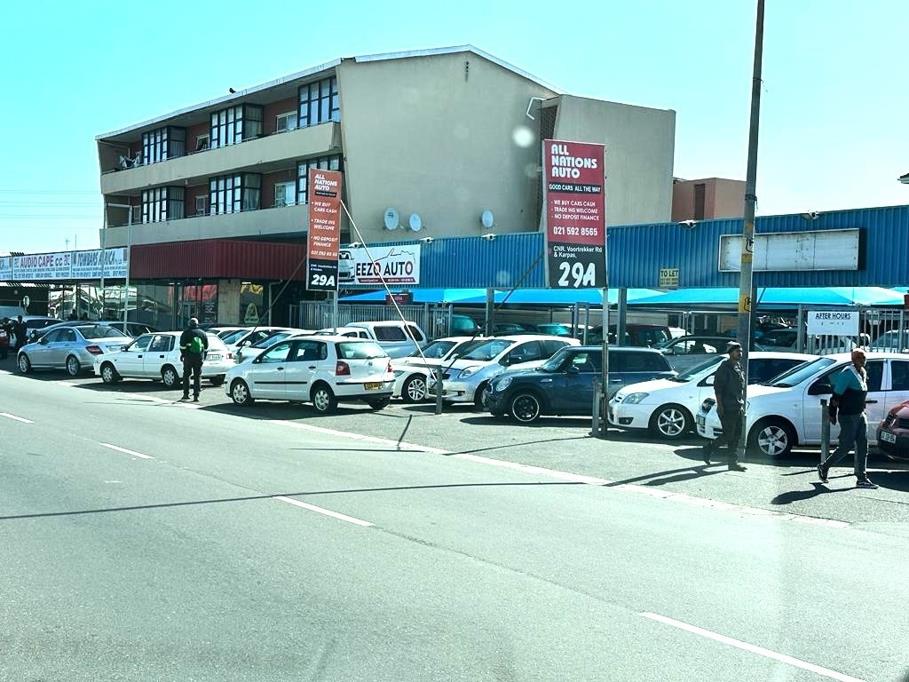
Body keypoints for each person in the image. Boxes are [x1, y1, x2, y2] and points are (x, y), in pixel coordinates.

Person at [818, 348, 877, 489]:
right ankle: (824, 467)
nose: (862, 361)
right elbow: (836, 396)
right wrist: (832, 414)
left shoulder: (862, 372)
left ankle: (861, 478)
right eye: (859, 358)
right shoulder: (847, 373)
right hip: (848, 415)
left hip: (860, 414)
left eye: (864, 358)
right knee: (846, 446)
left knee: (863, 445)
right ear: (853, 359)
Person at [703, 341, 747, 471]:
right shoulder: (724, 368)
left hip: (737, 405)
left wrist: (741, 403)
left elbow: (740, 387)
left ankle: (732, 463)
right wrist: (720, 406)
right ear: (730, 353)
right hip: (727, 407)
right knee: (728, 435)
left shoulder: (738, 367)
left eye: (740, 351)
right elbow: (718, 389)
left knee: (736, 435)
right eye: (737, 351)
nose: (740, 353)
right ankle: (709, 448)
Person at [179, 317, 208, 402]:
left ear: (189, 324)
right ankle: (196, 396)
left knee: (186, 375)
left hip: (188, 357)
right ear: (197, 324)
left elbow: (182, 346)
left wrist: (183, 354)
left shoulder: (186, 333)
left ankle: (186, 394)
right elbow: (206, 347)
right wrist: (203, 356)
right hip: (199, 357)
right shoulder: (203, 333)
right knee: (197, 376)